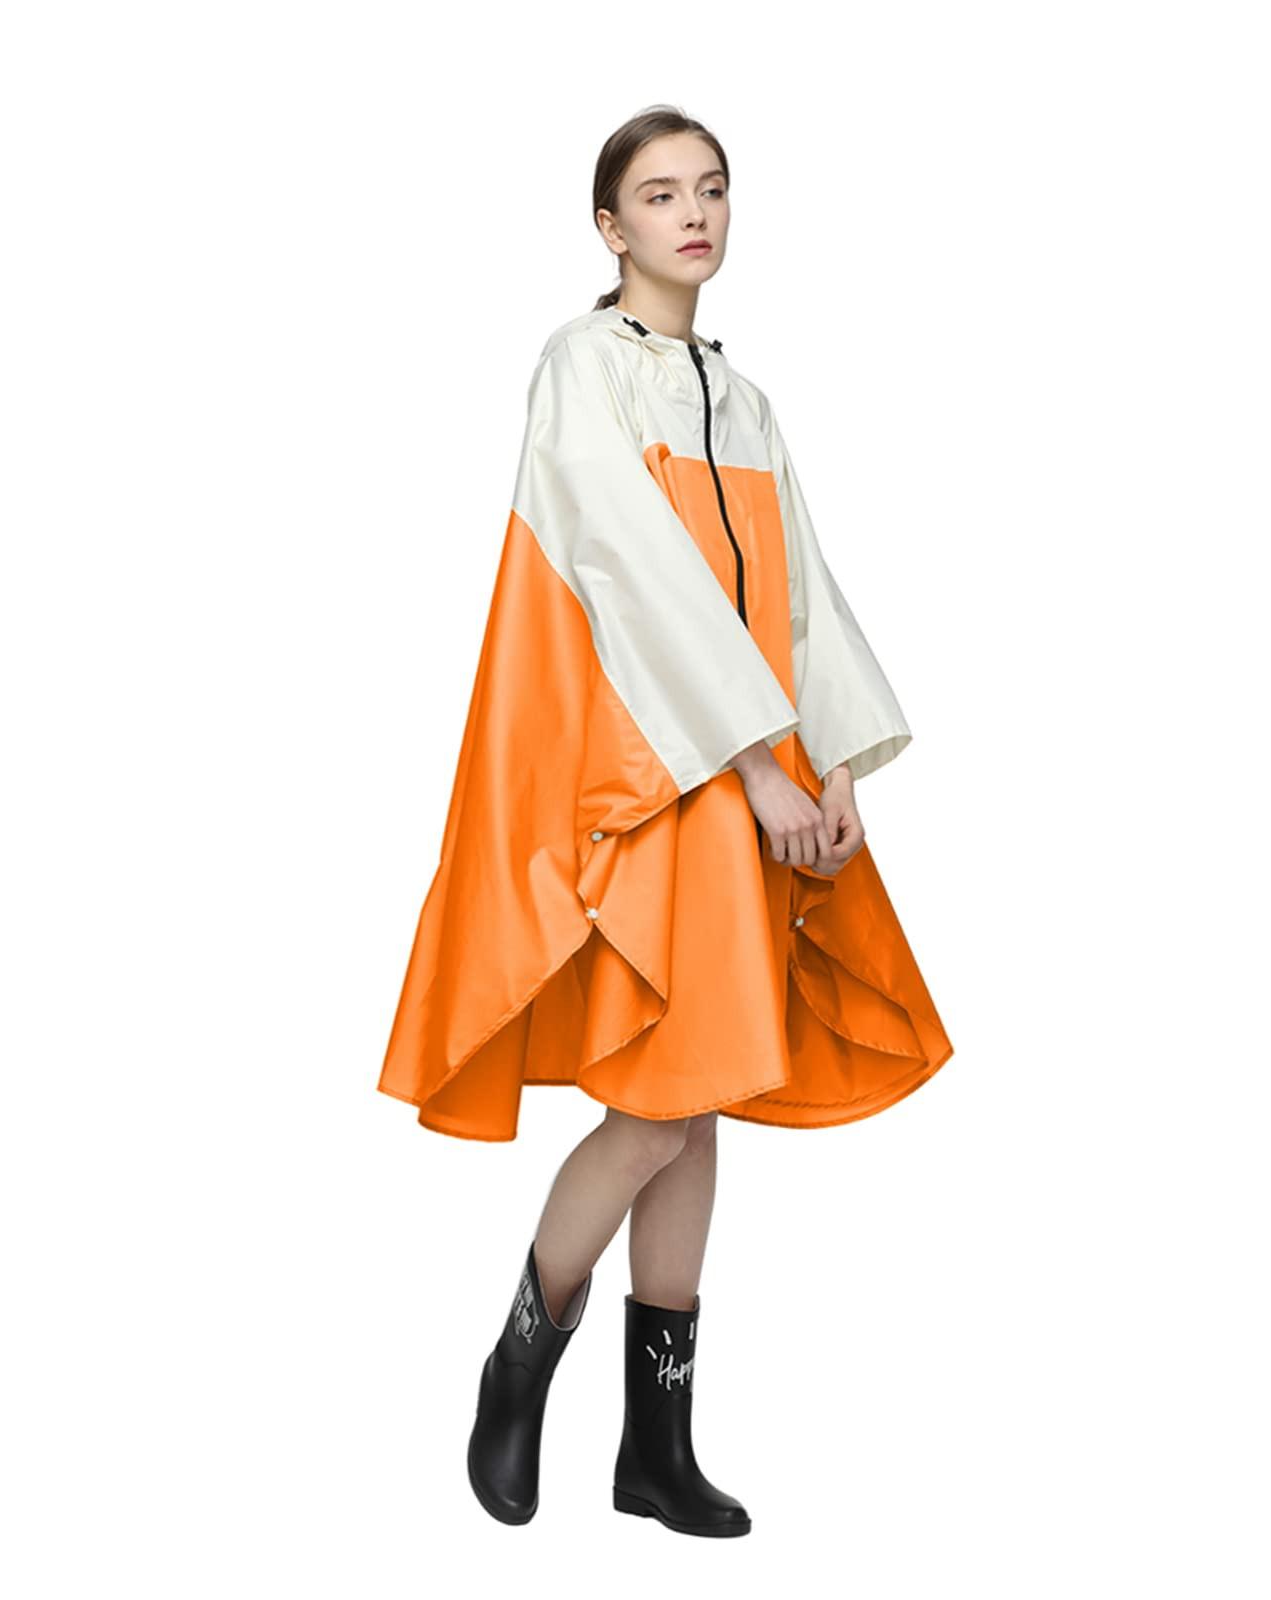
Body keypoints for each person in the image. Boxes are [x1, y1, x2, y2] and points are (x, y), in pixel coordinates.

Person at [377, 106, 954, 1537]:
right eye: (657, 194)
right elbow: (632, 577)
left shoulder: (743, 399)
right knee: (656, 1109)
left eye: (711, 189)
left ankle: (656, 1446)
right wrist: (755, 765)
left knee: (694, 1109)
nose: (692, 214)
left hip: (748, 773)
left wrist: (834, 765)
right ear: (609, 226)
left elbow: (798, 593)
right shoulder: (582, 367)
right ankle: (519, 1363)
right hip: (652, 778)